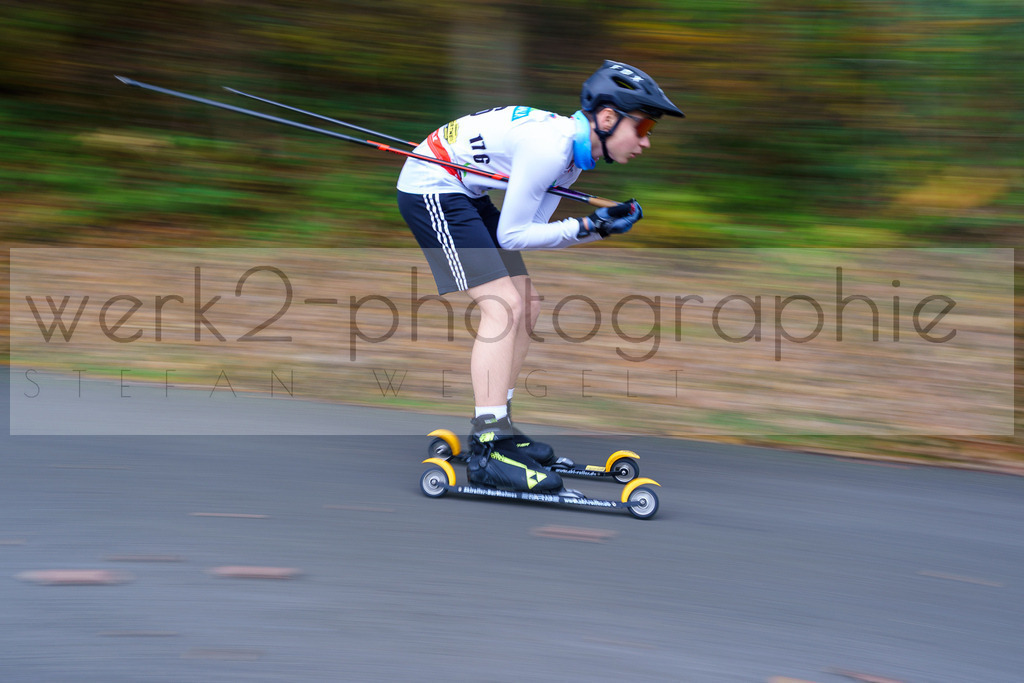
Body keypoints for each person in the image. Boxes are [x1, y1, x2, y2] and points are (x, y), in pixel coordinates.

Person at [396, 60, 684, 492]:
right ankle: (490, 448)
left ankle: (501, 427)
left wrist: (596, 229)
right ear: (607, 118)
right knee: (503, 306)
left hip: (463, 188)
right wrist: (591, 226)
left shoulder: (570, 156)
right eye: (642, 128)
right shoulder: (550, 149)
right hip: (431, 186)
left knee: (526, 301)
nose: (645, 142)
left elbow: (532, 232)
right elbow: (513, 235)